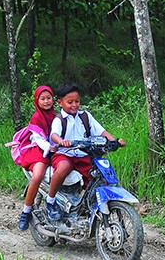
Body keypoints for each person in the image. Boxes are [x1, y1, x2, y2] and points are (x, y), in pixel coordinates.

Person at [46, 82, 125, 220]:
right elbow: (54, 135)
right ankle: (50, 200)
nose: (74, 105)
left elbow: (101, 131)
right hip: (65, 154)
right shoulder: (59, 120)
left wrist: (114, 141)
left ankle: (90, 208)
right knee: (64, 167)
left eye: (77, 101)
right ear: (60, 103)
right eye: (70, 102)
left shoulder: (85, 116)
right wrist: (61, 141)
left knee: (99, 176)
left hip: (83, 155)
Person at [17, 85, 58, 231]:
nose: (46, 101)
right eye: (43, 99)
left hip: (57, 150)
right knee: (38, 175)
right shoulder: (36, 117)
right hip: (39, 151)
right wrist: (49, 147)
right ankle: (26, 211)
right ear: (37, 100)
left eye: (49, 98)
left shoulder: (57, 116)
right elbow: (38, 138)